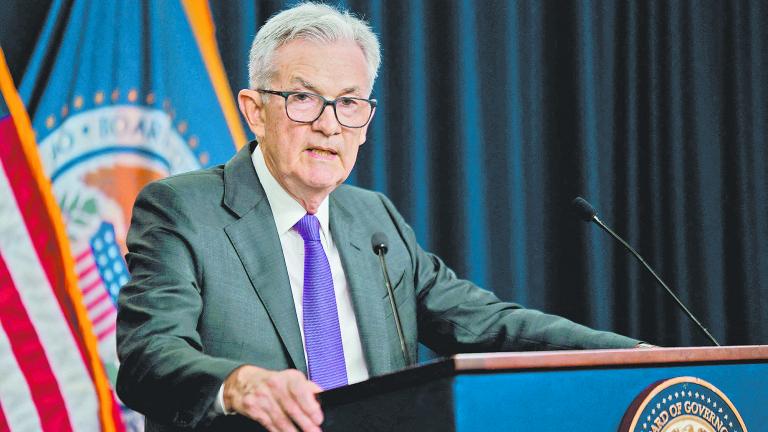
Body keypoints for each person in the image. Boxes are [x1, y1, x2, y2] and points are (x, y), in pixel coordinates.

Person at [116, 3, 641, 432]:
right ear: (255, 110)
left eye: (349, 103)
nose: (329, 126)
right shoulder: (183, 209)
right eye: (303, 99)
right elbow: (148, 357)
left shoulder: (374, 219)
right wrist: (240, 384)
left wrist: (639, 358)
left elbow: (491, 326)